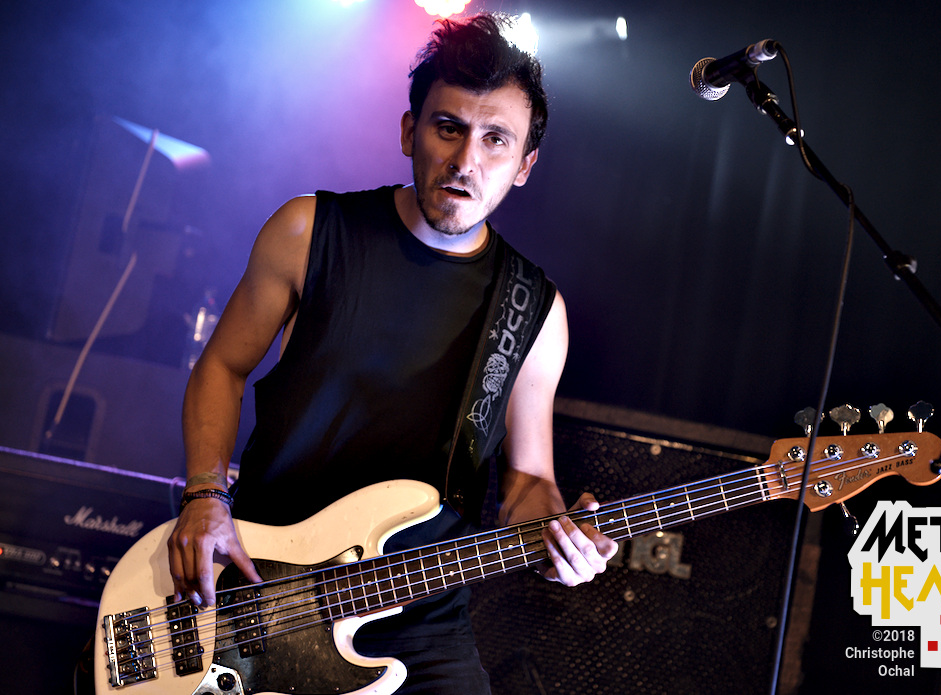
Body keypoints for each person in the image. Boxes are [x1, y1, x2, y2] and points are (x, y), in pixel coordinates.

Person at [166, 12, 617, 694]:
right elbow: (222, 367)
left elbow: (527, 482)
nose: (466, 161)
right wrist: (205, 494)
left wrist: (560, 539)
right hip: (265, 588)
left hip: (421, 617)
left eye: (496, 140)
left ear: (524, 165)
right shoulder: (309, 231)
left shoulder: (534, 309)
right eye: (448, 128)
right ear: (410, 131)